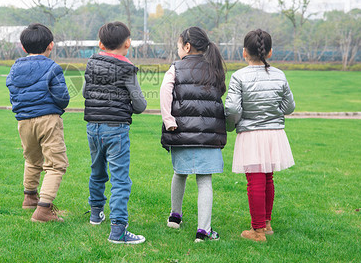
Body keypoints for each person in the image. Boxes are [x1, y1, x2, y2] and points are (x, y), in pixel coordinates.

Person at [225, 29, 295, 242]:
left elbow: (233, 110)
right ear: (270, 52)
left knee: (254, 181)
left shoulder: (239, 76)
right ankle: (266, 223)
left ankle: (257, 232)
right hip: (274, 133)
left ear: (244, 52)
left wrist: (230, 127)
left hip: (251, 134)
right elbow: (289, 106)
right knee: (267, 178)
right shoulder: (279, 75)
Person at [160, 26, 227, 243]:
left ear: (187, 47)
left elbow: (165, 93)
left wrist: (169, 121)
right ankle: (203, 231)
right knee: (204, 181)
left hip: (180, 133)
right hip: (209, 136)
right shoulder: (214, 68)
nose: (178, 50)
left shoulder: (176, 68)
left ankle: (175, 216)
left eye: (179, 46)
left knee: (179, 173)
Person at [83, 21, 148, 244]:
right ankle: (118, 230)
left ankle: (95, 214)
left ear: (101, 43)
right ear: (128, 43)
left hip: (93, 126)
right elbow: (139, 105)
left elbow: (85, 92)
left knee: (97, 171)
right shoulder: (126, 68)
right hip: (116, 128)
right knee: (120, 180)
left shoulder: (91, 63)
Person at [6, 23, 70, 222]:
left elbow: (12, 91)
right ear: (50, 45)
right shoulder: (53, 67)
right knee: (56, 164)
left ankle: (30, 198)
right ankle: (44, 210)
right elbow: (62, 97)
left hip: (24, 121)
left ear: (24, 48)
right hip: (48, 119)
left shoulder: (15, 68)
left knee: (32, 159)